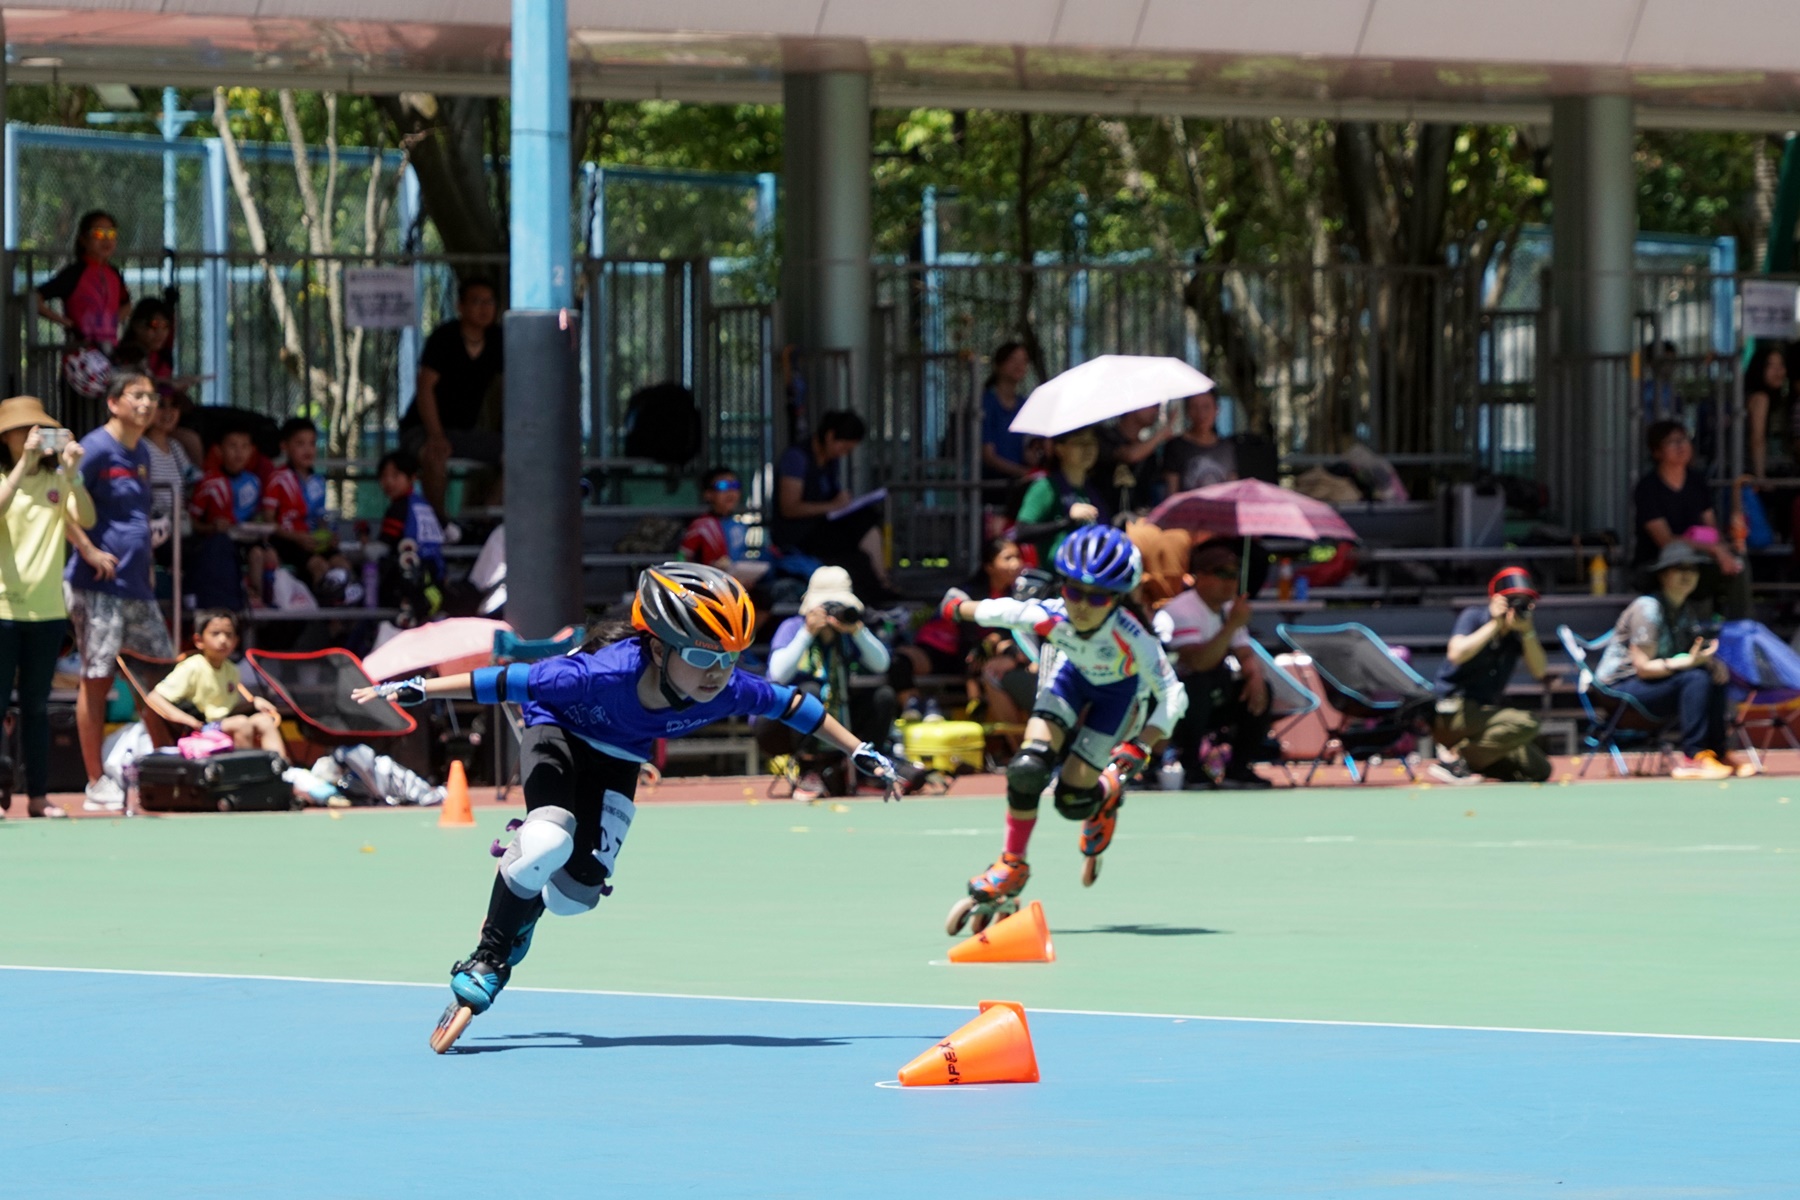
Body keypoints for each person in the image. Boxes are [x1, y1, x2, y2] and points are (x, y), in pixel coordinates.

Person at [351, 564, 902, 1052]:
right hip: (557, 732)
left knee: (574, 899)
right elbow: (507, 681)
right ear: (659, 649)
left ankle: (525, 901)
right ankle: (489, 957)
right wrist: (419, 688)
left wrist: (861, 750)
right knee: (548, 838)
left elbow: (795, 705)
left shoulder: (728, 688)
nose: (717, 672)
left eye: (729, 657)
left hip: (618, 759)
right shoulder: (599, 673)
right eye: (703, 656)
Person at [936, 525, 1187, 927]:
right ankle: (1011, 864)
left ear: (1117, 597)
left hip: (1117, 697)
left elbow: (1174, 695)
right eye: (1074, 591)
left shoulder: (1133, 636)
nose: (1082, 605)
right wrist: (956, 606)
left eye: (1097, 596)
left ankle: (1104, 793)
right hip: (1070, 678)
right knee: (1027, 767)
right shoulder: (1051, 614)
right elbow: (999, 611)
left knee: (1072, 802)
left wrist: (1141, 744)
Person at [62, 370, 175, 812]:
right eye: (136, 395)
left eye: (152, 396)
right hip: (97, 588)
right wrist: (89, 550)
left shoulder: (142, 451)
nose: (146, 404)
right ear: (113, 402)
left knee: (161, 680)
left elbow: (136, 519)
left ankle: (168, 773)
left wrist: (146, 571)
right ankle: (96, 782)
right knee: (97, 679)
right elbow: (59, 502)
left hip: (139, 588)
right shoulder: (93, 448)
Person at [0, 396, 93, 818]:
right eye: (23, 430)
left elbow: (86, 518)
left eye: (39, 430)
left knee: (36, 708)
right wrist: (25, 463)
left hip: (48, 611)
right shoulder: (7, 476)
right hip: (4, 611)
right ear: (7, 438)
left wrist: (73, 474)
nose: (32, 437)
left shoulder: (58, 480)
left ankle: (38, 796)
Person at [762, 566, 923, 799]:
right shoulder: (793, 627)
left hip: (840, 712)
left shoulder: (849, 632)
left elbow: (881, 664)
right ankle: (809, 769)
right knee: (808, 693)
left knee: (883, 696)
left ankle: (869, 771)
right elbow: (778, 674)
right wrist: (807, 632)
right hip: (784, 723)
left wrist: (857, 631)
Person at [1594, 542, 1749, 781]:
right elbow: (1643, 668)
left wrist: (1710, 663)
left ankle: (1718, 753)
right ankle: (1693, 757)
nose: (1688, 575)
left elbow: (1688, 655)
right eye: (1680, 568)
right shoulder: (1648, 608)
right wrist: (1689, 663)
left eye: (1693, 569)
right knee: (1695, 678)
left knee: (1713, 675)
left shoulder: (1684, 610)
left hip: (1655, 683)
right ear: (1663, 575)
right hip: (1619, 691)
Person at [1160, 540, 1272, 788]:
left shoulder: (1230, 609)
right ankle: (1190, 767)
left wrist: (1255, 678)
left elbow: (1245, 654)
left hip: (1214, 693)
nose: (1230, 581)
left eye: (1234, 574)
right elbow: (1198, 663)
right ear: (1199, 576)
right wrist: (1231, 625)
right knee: (1198, 686)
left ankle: (1238, 768)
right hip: (1178, 700)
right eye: (1221, 573)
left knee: (1261, 688)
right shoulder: (1180, 611)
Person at [1428, 567, 1551, 784]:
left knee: (1538, 769)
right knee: (1527, 722)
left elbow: (1540, 670)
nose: (1517, 607)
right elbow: (1456, 654)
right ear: (1496, 600)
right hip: (1452, 710)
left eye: (1525, 602)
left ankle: (1470, 762)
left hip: (1483, 715)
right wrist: (1495, 624)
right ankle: (1455, 760)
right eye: (1512, 600)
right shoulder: (1474, 616)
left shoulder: (1519, 633)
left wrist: (1527, 631)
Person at [769, 410, 897, 603]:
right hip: (798, 535)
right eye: (843, 447)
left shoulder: (830, 461)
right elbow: (789, 508)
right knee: (856, 551)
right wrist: (832, 505)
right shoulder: (797, 458)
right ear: (830, 436)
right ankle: (879, 590)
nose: (844, 454)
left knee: (865, 520)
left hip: (821, 527)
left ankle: (882, 583)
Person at [400, 277, 503, 515]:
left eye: (489, 302)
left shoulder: (498, 339)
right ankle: (439, 524)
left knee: (520, 452)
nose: (484, 308)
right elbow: (425, 387)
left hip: (464, 433)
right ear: (460, 306)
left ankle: (487, 519)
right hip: (421, 429)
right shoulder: (444, 337)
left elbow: (514, 383)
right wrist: (435, 435)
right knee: (434, 456)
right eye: (476, 301)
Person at [1632, 419, 1748, 620]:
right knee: (1687, 565)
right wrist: (1713, 550)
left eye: (1684, 439)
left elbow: (1711, 528)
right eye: (1672, 441)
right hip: (1658, 562)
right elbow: (1666, 541)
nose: (1681, 446)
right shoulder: (1648, 488)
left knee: (1739, 563)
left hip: (1699, 557)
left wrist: (1725, 551)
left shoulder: (1697, 482)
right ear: (1657, 452)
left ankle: (1743, 626)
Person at [146, 609, 286, 759]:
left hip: (224, 722)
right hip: (201, 727)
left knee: (264, 721)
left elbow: (227, 709)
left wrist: (254, 703)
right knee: (242, 724)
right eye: (215, 634)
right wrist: (187, 719)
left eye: (229, 635)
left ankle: (282, 768)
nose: (223, 640)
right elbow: (154, 697)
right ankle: (242, 771)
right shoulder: (192, 667)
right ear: (199, 640)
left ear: (236, 641)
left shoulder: (232, 669)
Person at [260, 417, 356, 604]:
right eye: (300, 444)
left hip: (313, 541)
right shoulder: (277, 478)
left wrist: (329, 536)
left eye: (312, 443)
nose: (308, 449)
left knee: (343, 565)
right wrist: (297, 537)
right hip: (287, 541)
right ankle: (326, 615)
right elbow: (268, 521)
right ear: (285, 446)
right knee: (319, 565)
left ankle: (344, 614)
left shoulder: (318, 482)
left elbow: (320, 519)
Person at [1012, 425, 1110, 568]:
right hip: (1057, 578)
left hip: (1092, 577)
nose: (1088, 448)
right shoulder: (1046, 487)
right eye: (1080, 442)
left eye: (1092, 442)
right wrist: (1066, 521)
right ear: (1059, 449)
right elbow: (1022, 532)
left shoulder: (1095, 489)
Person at [35, 210, 131, 353]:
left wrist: (111, 321)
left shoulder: (114, 273)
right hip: (80, 353)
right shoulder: (74, 273)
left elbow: (127, 304)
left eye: (111, 234)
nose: (106, 239)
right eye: (98, 234)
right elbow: (35, 298)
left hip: (109, 350)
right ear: (83, 240)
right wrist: (66, 323)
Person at [188, 427, 262, 610]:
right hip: (217, 544)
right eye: (232, 446)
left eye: (244, 446)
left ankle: (256, 598)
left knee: (261, 554)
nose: (239, 452)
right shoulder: (207, 483)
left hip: (247, 540)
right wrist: (211, 528)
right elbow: (192, 522)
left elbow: (257, 516)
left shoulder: (254, 482)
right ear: (219, 451)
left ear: (252, 451)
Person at [376, 449, 446, 627]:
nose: (388, 481)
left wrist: (362, 539)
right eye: (383, 476)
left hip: (408, 583)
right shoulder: (425, 505)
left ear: (412, 477)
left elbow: (382, 546)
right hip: (436, 578)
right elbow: (452, 533)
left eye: (395, 475)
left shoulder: (398, 509)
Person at [679, 466, 768, 588]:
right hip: (708, 588)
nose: (730, 492)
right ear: (708, 494)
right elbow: (682, 559)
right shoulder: (701, 526)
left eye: (735, 486)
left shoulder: (739, 525)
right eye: (722, 486)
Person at [979, 341, 1038, 481]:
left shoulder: (1024, 404)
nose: (1019, 365)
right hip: (989, 483)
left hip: (1018, 481)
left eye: (1024, 361)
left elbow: (1027, 446)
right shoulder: (985, 403)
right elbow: (988, 455)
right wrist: (1022, 472)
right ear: (998, 365)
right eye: (1013, 359)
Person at [1162, 389, 1237, 494]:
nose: (1201, 414)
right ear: (1187, 411)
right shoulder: (1176, 446)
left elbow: (1233, 489)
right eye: (1194, 407)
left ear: (1216, 409)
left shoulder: (1227, 447)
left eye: (1206, 407)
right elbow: (1172, 492)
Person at [1101, 405, 1173, 515]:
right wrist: (1161, 435)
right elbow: (1129, 455)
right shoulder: (1106, 437)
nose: (1156, 411)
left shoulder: (1149, 454)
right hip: (1104, 516)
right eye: (1153, 405)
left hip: (1137, 520)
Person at [1743, 343, 1789, 482]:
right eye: (1771, 366)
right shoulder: (1760, 398)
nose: (1778, 371)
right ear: (1759, 369)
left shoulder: (1756, 396)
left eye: (1781, 365)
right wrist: (1760, 478)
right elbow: (1757, 439)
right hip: (1749, 475)